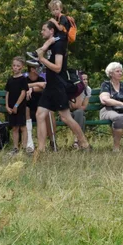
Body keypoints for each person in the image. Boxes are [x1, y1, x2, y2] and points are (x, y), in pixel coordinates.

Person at [35, 20, 88, 152]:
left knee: (65, 117)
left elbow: (58, 68)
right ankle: (40, 149)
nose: (41, 32)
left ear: (51, 31)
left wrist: (42, 59)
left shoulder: (59, 46)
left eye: (44, 29)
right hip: (50, 85)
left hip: (58, 85)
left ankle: (84, 143)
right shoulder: (52, 45)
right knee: (40, 115)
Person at [4, 57, 29, 153]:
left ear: (21, 67)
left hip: (20, 107)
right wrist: (7, 106)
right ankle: (15, 147)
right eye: (14, 65)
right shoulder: (10, 79)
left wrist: (16, 106)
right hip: (10, 106)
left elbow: (23, 93)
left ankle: (24, 147)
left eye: (18, 66)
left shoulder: (23, 79)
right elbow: (7, 93)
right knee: (14, 127)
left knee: (22, 126)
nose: (15, 67)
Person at [23, 63, 45, 153]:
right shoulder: (24, 79)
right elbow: (21, 87)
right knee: (26, 108)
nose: (41, 69)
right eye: (38, 67)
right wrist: (33, 86)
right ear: (32, 69)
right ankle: (29, 142)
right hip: (28, 107)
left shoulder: (41, 78)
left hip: (40, 107)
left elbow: (44, 86)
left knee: (49, 113)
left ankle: (52, 141)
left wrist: (32, 88)